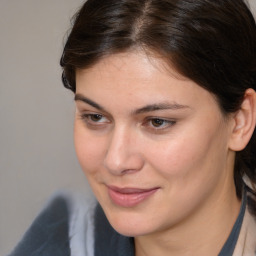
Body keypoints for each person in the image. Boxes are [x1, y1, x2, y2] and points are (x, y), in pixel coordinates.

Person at [9, 0, 256, 255]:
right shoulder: (50, 245)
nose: (116, 161)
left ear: (240, 121)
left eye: (157, 122)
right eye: (95, 117)